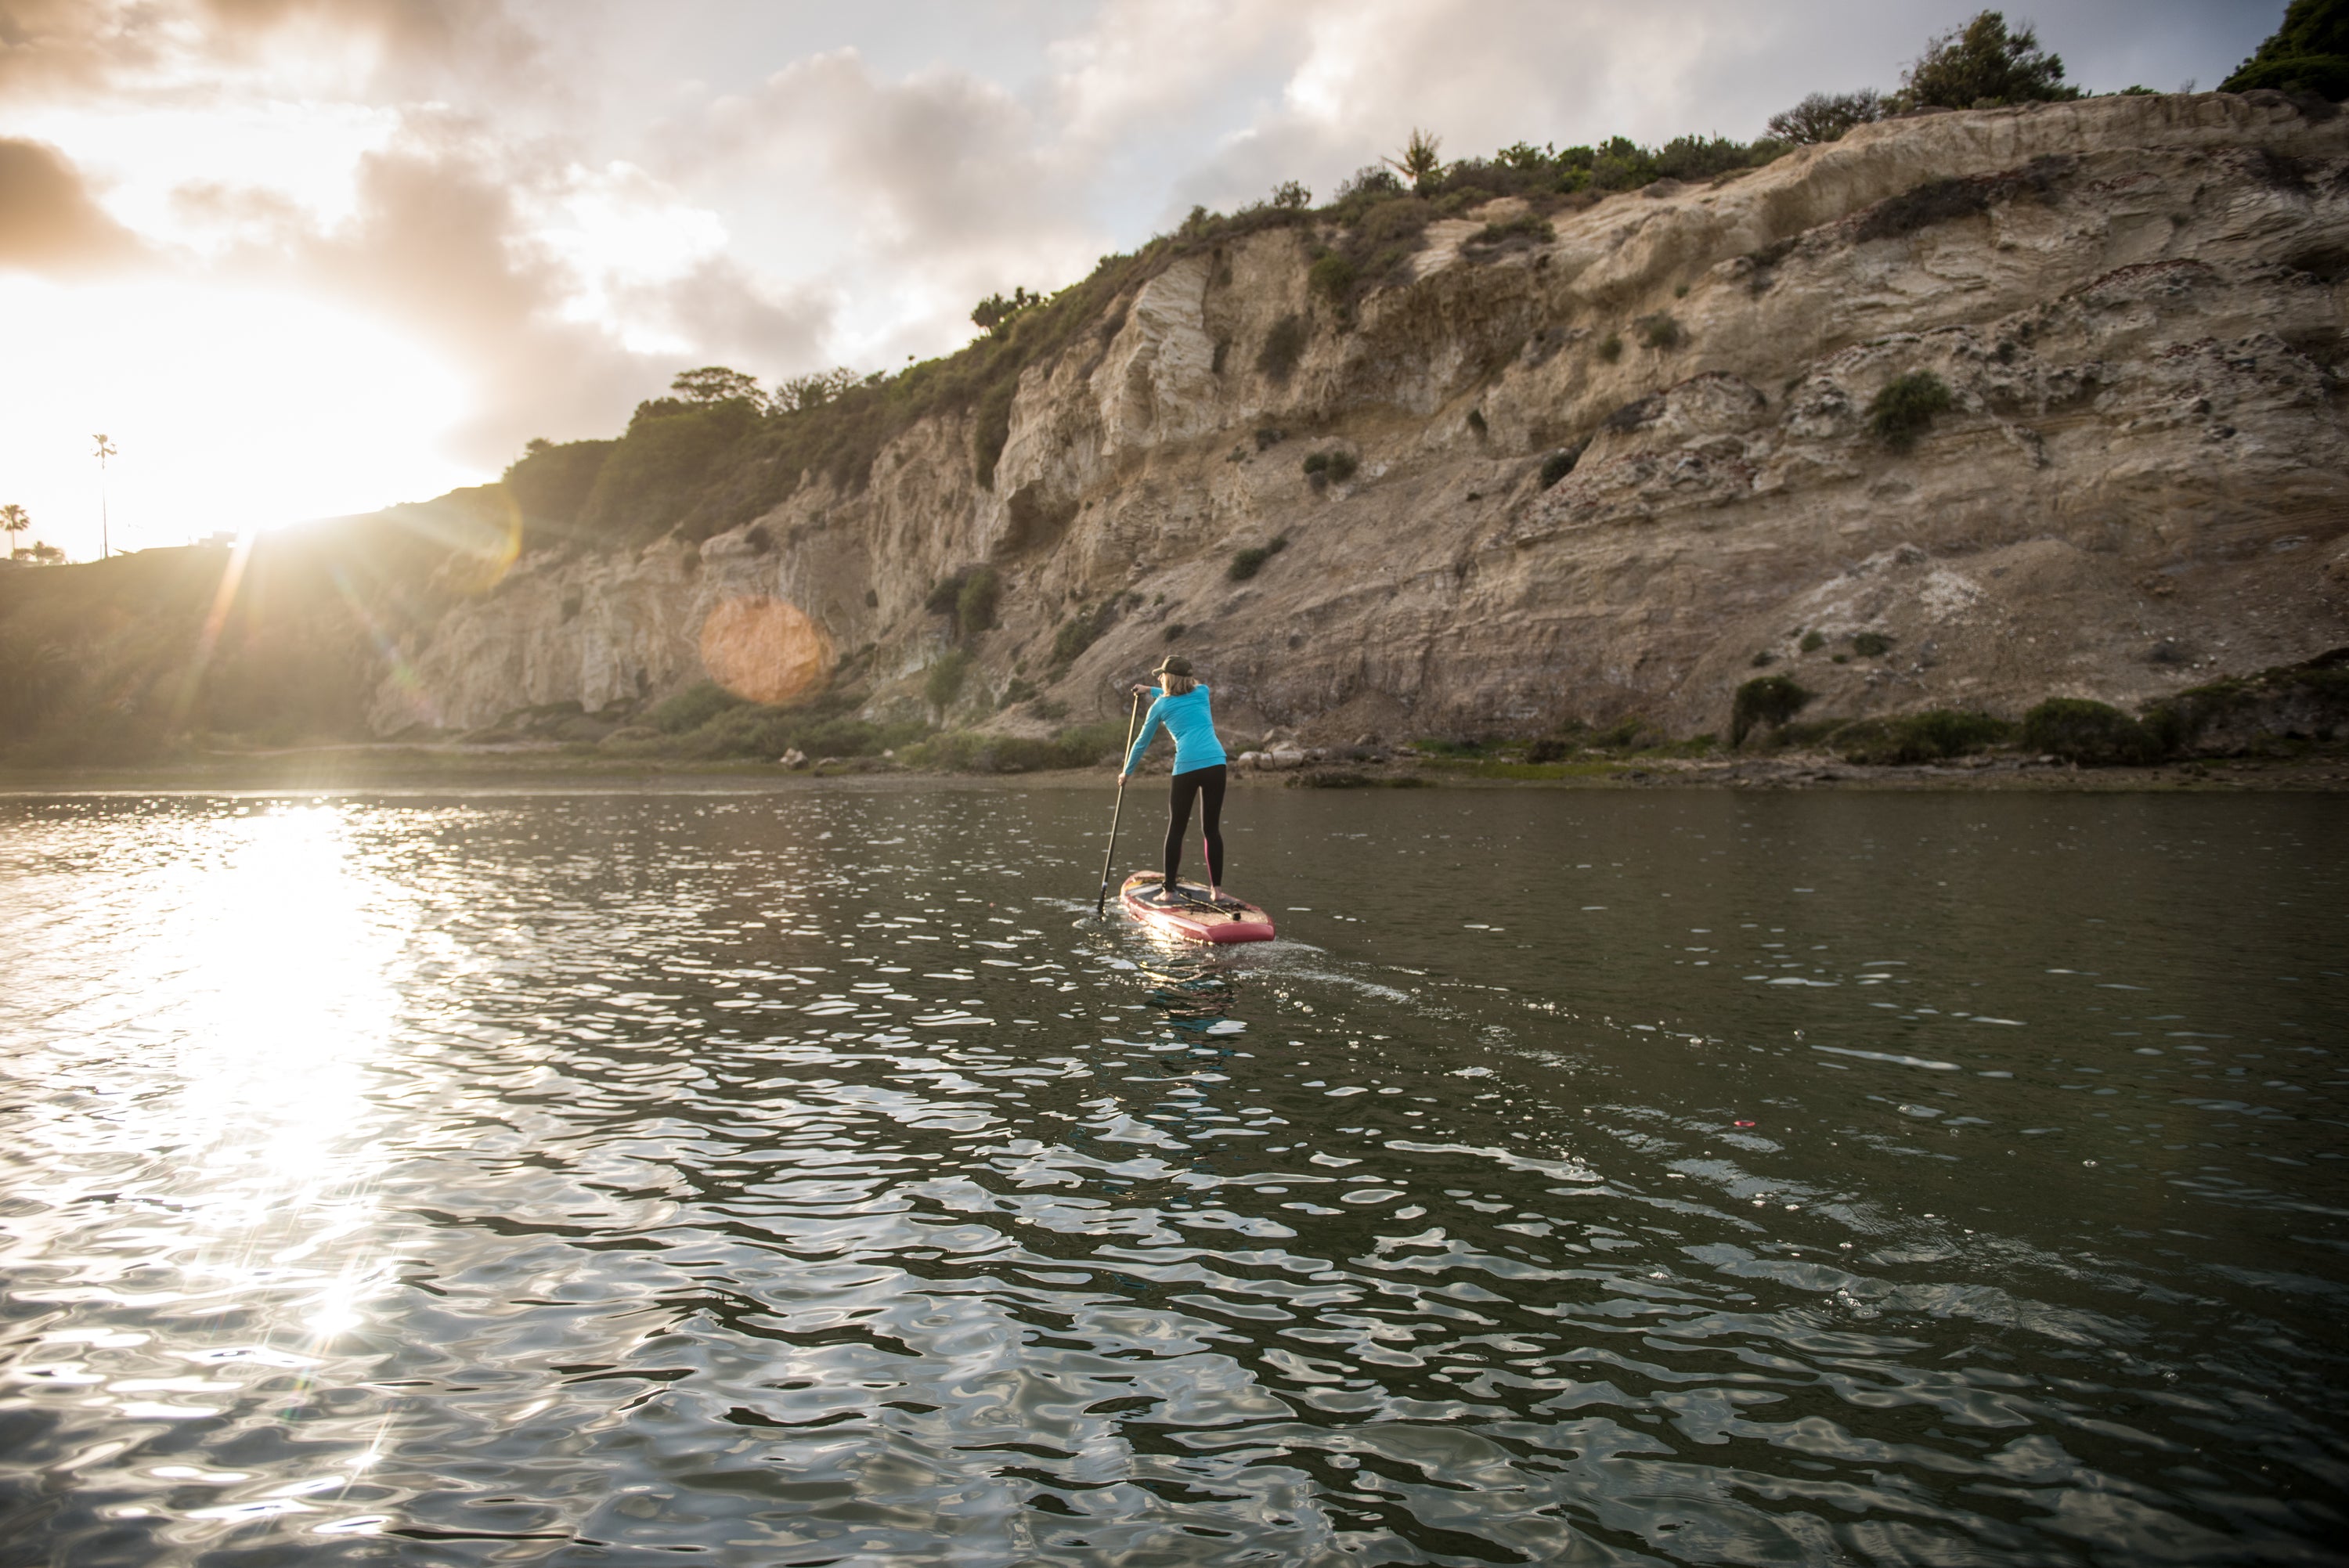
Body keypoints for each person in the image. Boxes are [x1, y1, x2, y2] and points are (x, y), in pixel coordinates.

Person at [1120, 654, 1230, 906]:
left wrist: (1127, 772)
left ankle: (1168, 891)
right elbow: (1179, 692)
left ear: (1168, 678)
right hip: (1216, 763)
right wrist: (1150, 689)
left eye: (1162, 674)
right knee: (1211, 830)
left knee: (1176, 830)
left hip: (1187, 767)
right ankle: (1218, 892)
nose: (1159, 677)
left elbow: (1141, 742)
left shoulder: (1159, 707)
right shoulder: (1203, 692)